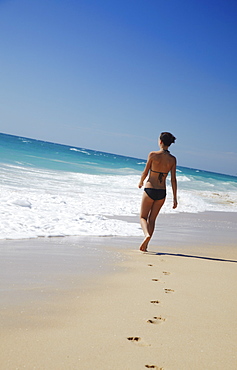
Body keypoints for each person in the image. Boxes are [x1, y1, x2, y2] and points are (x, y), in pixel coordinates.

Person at [138, 132, 177, 252]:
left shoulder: (153, 155)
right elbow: (173, 179)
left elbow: (145, 172)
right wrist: (175, 198)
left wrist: (141, 182)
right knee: (153, 219)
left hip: (150, 189)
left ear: (160, 141)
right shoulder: (172, 159)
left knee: (143, 217)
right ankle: (146, 244)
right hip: (162, 192)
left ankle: (146, 235)